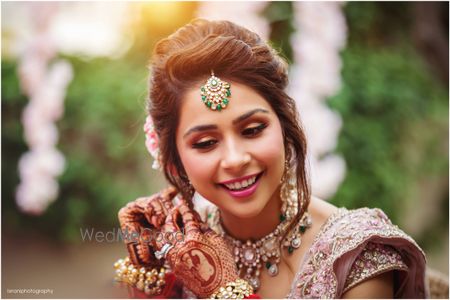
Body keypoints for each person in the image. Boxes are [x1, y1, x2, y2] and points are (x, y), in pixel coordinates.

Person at [114, 19, 427, 299]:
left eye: (252, 130)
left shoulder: (356, 256)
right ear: (173, 161)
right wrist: (151, 272)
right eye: (207, 143)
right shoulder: (180, 248)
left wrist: (222, 290)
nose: (235, 159)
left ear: (284, 126)